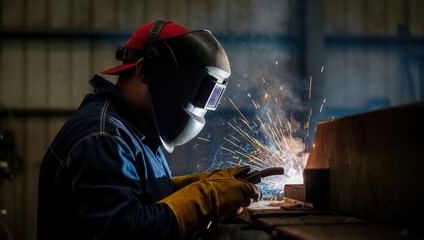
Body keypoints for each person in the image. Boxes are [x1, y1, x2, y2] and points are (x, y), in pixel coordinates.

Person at [37, 20, 261, 240]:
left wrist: (195, 185)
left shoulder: (136, 131)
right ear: (144, 71)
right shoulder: (103, 138)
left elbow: (137, 195)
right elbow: (125, 231)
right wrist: (206, 198)